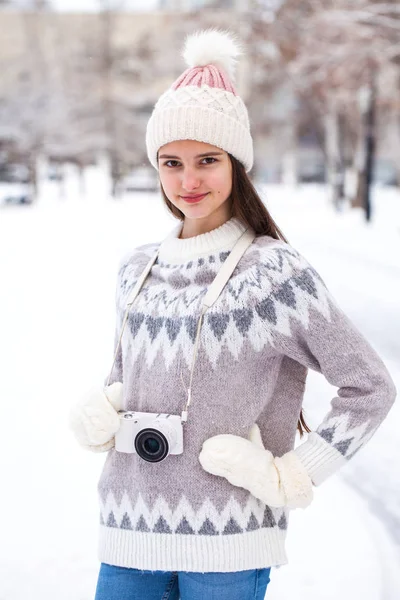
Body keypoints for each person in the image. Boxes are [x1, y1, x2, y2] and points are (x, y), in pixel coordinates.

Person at [69, 29, 397, 600]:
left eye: (207, 160)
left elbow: (370, 387)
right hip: (125, 532)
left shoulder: (274, 274)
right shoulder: (136, 269)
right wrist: (101, 408)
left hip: (228, 542)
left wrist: (291, 475)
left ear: (236, 164)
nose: (188, 180)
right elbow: (127, 379)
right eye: (171, 162)